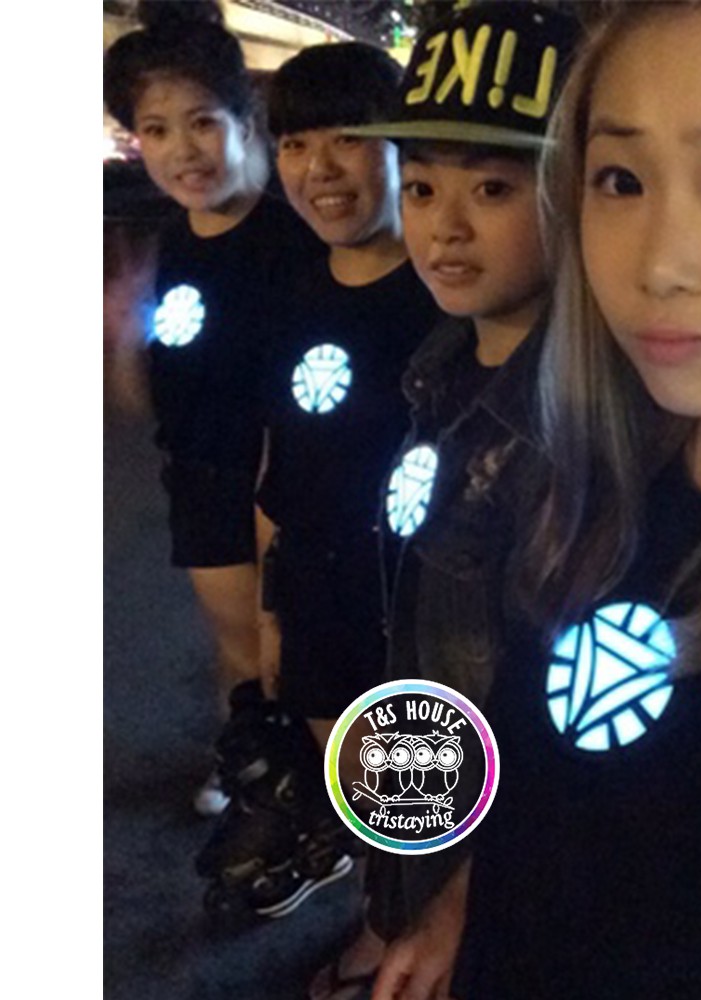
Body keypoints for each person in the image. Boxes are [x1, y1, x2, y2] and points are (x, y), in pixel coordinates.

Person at [382, 1, 701, 998]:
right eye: (620, 179)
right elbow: (548, 781)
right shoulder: (576, 479)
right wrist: (461, 900)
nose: (657, 263)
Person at [304, 5, 579, 998]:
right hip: (428, 764)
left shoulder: (566, 428)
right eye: (420, 185)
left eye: (493, 188)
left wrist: (462, 895)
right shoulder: (442, 358)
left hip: (498, 853)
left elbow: (550, 719)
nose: (443, 226)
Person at [197, 43, 442, 920]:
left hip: (413, 600)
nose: (319, 169)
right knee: (359, 782)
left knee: (422, 790)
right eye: (295, 144)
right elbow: (282, 458)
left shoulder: (444, 294)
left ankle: (411, 931)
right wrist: (274, 613)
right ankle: (382, 908)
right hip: (315, 589)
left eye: (348, 139)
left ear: (401, 151)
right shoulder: (291, 291)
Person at [103, 2, 323, 816]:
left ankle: (318, 794)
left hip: (291, 486)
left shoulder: (297, 238)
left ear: (244, 119)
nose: (181, 151)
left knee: (299, 650)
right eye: (155, 130)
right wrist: (124, 337)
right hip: (201, 485)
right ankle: (248, 761)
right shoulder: (174, 243)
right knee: (239, 651)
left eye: (201, 122)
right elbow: (152, 403)